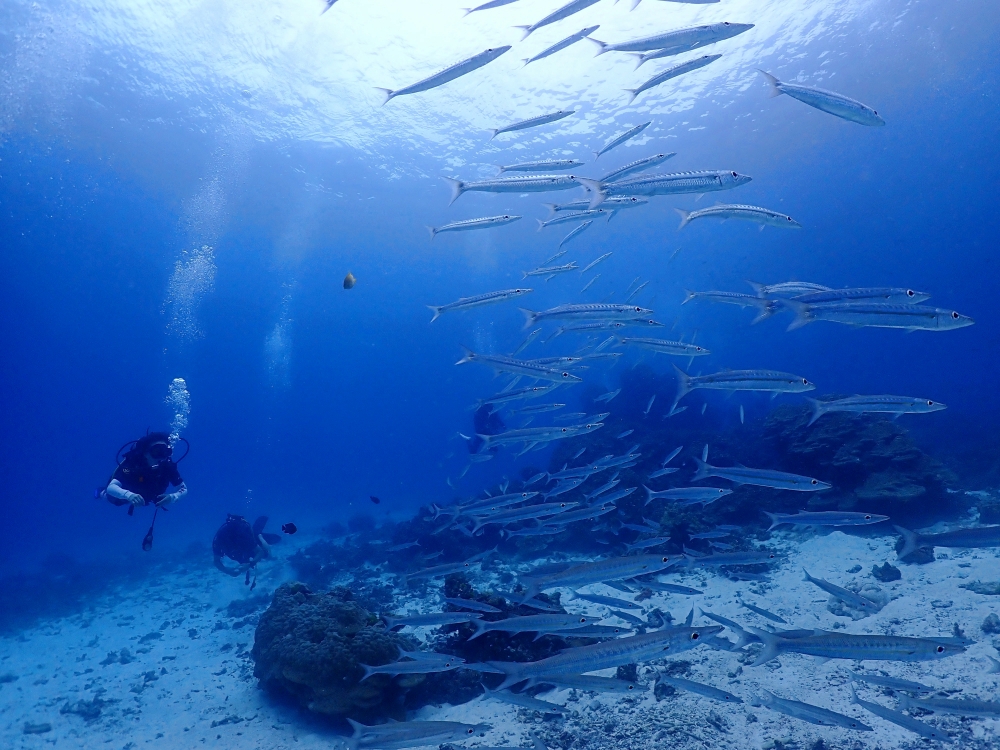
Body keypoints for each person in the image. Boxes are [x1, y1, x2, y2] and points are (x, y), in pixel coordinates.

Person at [101, 432, 188, 509]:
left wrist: (173, 497)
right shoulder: (133, 465)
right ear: (145, 453)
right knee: (115, 501)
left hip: (148, 494)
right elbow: (111, 487)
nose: (161, 457)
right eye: (156, 452)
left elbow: (183, 488)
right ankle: (100, 493)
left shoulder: (167, 466)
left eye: (166, 452)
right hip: (128, 492)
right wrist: (128, 495)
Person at [212, 515, 279, 577]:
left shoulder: (243, 536)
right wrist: (227, 571)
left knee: (267, 555)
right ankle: (257, 533)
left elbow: (260, 552)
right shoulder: (218, 541)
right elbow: (216, 561)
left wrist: (250, 564)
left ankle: (259, 535)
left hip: (246, 542)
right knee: (243, 560)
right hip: (240, 549)